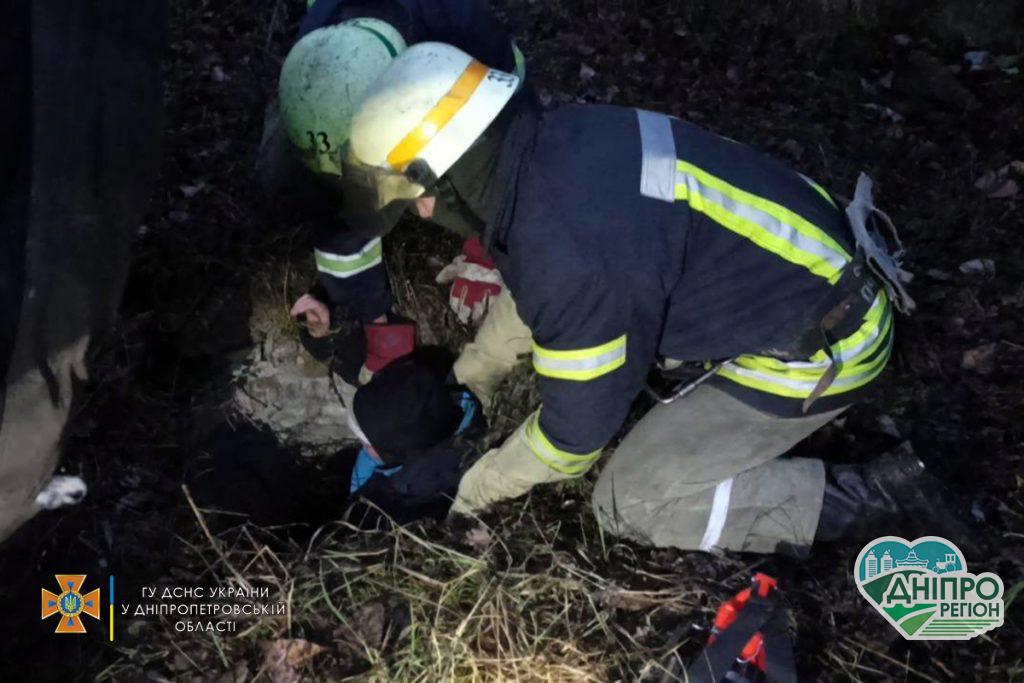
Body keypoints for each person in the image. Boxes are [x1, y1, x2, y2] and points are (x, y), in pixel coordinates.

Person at [328, 41, 966, 556]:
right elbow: (544, 280)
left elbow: (570, 442)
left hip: (826, 342)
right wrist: (478, 375)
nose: (424, 210)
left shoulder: (570, 252)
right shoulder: (552, 145)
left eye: (418, 193)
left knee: (629, 503)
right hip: (815, 269)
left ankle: (880, 498)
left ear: (452, 169)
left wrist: (478, 487)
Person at [268, 0, 524, 387]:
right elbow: (333, 216)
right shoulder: (314, 70)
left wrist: (489, 240)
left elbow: (508, 158)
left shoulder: (469, 40)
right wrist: (366, 314)